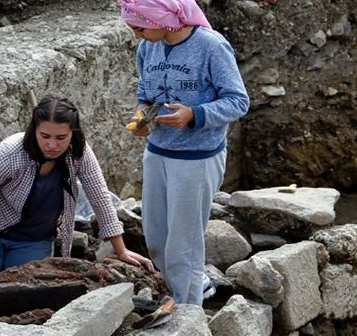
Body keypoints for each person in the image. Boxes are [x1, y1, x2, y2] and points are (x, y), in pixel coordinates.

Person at [118, 0, 250, 305]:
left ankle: (188, 315)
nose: (136, 35)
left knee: (184, 246)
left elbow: (238, 101)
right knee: (157, 239)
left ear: (162, 19)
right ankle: (187, 291)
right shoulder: (148, 48)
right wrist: (142, 117)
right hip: (158, 152)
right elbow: (145, 94)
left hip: (197, 158)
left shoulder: (211, 47)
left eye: (139, 27)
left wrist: (193, 115)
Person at [0, 94, 155, 274]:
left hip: (34, 241)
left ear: (73, 133)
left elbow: (100, 198)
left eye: (61, 137)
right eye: (45, 136)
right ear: (33, 131)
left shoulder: (79, 154)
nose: (52, 145)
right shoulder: (11, 153)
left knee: (21, 291)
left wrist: (121, 251)